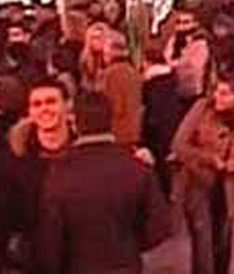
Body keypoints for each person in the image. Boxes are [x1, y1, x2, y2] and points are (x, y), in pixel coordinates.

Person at [35, 92, 171, 274]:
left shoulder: (60, 172)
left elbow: (51, 237)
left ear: (75, 124)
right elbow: (159, 227)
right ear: (111, 120)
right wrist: (130, 245)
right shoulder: (137, 168)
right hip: (125, 264)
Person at [172, 72, 234, 274]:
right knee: (203, 243)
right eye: (217, 91)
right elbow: (179, 144)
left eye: (224, 94)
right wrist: (208, 158)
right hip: (198, 183)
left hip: (230, 187)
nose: (217, 97)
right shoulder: (201, 109)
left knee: (223, 242)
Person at [0, 77, 76, 273]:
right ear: (29, 112)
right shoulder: (8, 163)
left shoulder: (86, 154)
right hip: (29, 262)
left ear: (68, 105)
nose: (44, 109)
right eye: (37, 104)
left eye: (51, 102)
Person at [141, 37, 184, 194]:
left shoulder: (150, 84)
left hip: (156, 128)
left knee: (158, 164)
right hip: (171, 123)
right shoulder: (172, 78)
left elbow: (147, 108)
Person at [101, 32, 144, 147]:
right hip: (135, 131)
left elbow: (116, 106)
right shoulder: (133, 72)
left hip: (118, 135)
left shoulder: (111, 74)